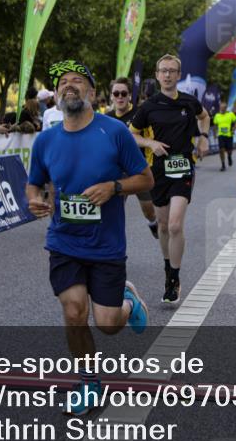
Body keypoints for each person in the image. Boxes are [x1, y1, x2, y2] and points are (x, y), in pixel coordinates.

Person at [26, 59, 153, 415]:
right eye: (63, 81)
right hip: (64, 242)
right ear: (56, 95)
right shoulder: (46, 140)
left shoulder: (114, 132)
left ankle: (128, 301)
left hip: (106, 245)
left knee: (109, 325)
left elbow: (145, 180)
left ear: (93, 93)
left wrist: (114, 187)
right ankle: (89, 382)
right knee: (74, 311)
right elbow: (34, 182)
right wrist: (34, 200)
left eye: (77, 81)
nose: (69, 85)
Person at [129, 54, 209, 304]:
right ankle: (168, 268)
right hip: (158, 170)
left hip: (183, 166)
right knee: (163, 226)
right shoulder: (149, 106)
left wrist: (203, 136)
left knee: (175, 225)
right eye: (163, 71)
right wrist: (150, 142)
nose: (167, 75)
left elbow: (204, 116)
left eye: (172, 71)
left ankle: (174, 278)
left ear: (178, 74)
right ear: (157, 74)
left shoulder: (189, 101)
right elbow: (132, 135)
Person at [108, 76, 159, 239]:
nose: (120, 97)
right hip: (115, 171)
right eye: (116, 93)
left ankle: (152, 223)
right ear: (111, 96)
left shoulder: (140, 113)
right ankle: (113, 248)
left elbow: (152, 137)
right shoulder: (106, 118)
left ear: (130, 95)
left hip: (138, 170)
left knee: (148, 209)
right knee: (113, 212)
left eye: (124, 93)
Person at [213, 100, 236, 172]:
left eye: (224, 108)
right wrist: (215, 133)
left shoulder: (231, 114)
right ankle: (223, 164)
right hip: (221, 135)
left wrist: (233, 129)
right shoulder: (217, 115)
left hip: (229, 135)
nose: (222, 109)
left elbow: (235, 122)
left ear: (226, 108)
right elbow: (215, 125)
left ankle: (229, 156)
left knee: (229, 150)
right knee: (221, 150)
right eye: (221, 108)